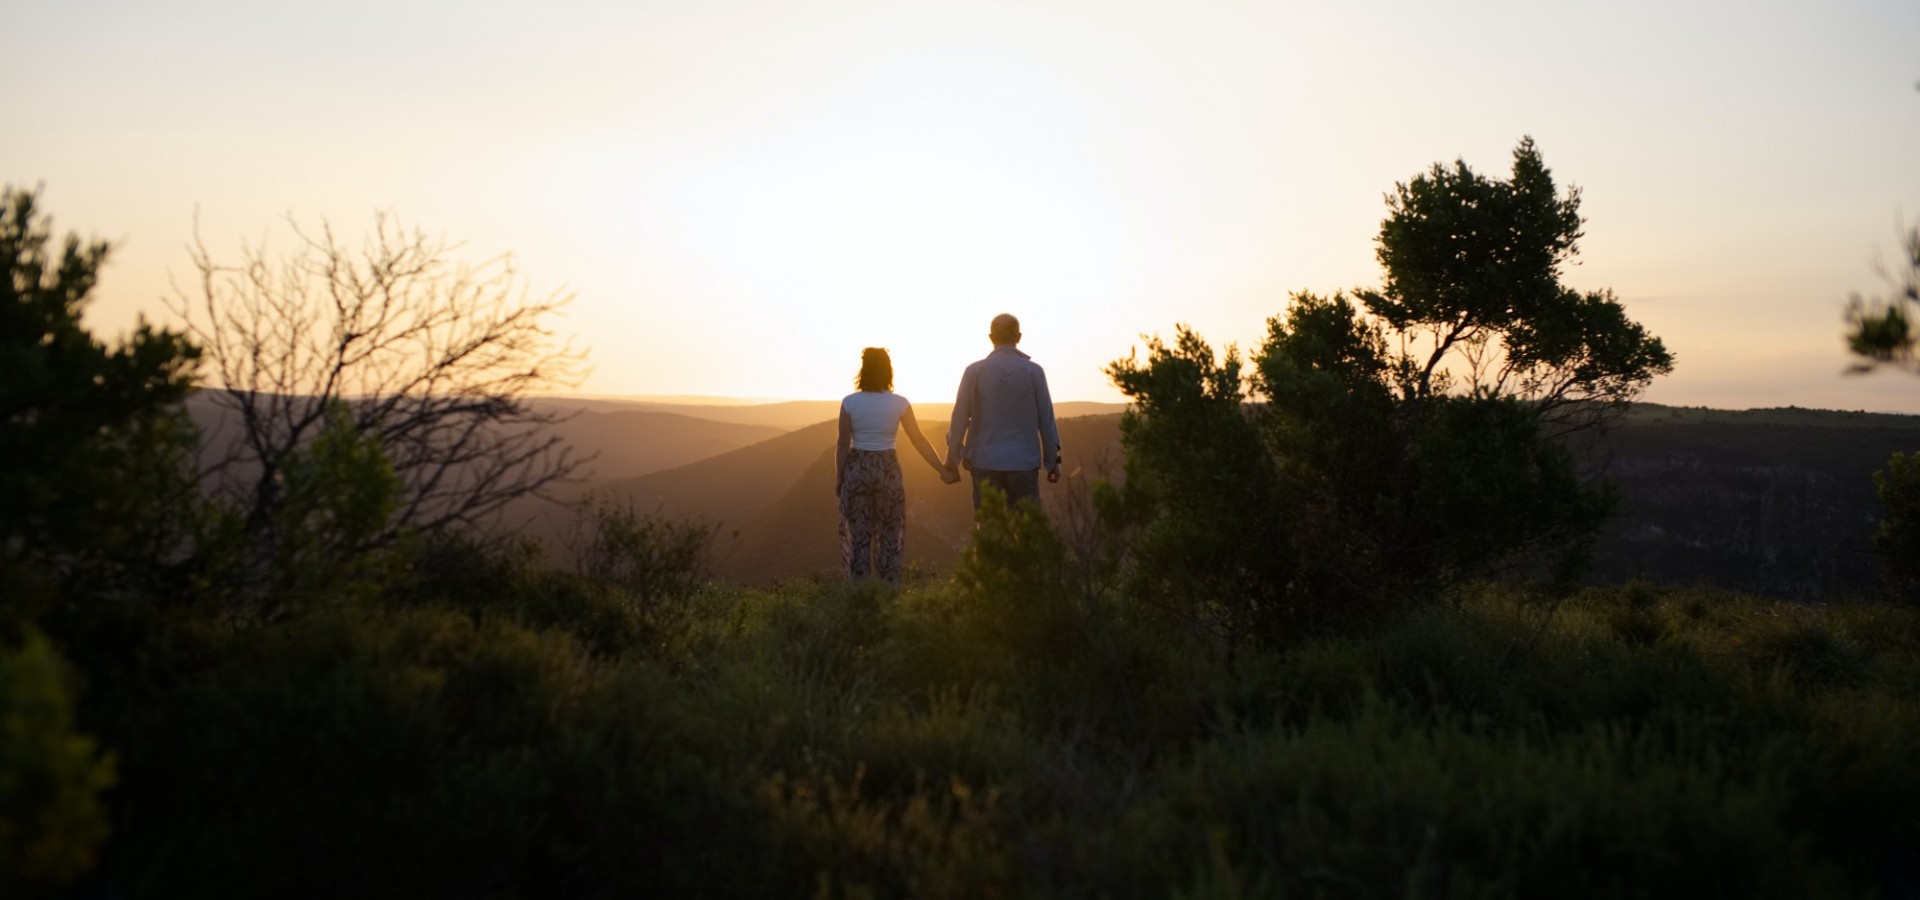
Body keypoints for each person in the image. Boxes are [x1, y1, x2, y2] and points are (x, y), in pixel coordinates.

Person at [836, 347, 959, 583]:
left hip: (857, 469)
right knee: (889, 533)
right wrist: (942, 469)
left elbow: (843, 444)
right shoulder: (900, 403)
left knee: (859, 535)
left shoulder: (850, 403)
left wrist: (840, 478)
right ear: (888, 371)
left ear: (863, 370)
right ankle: (887, 588)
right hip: (888, 470)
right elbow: (919, 440)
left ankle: (860, 590)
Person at [946, 313, 1061, 511]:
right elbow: (1046, 421)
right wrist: (1053, 461)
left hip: (984, 462)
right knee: (1026, 525)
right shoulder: (1034, 372)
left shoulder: (973, 371)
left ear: (991, 337)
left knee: (990, 527)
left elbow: (959, 419)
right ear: (1018, 337)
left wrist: (951, 460)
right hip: (1024, 464)